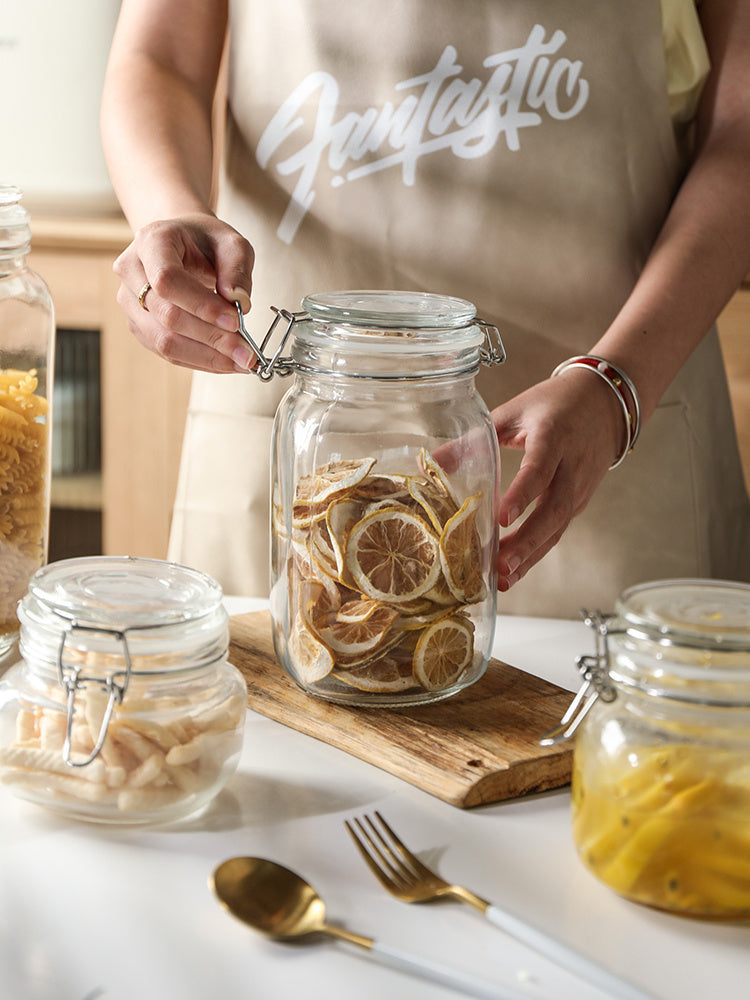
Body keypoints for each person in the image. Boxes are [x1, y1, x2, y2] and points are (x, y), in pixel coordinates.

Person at [101, 0, 750, 617]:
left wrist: (615, 387)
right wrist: (169, 215)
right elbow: (160, 60)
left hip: (617, 416)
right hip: (298, 417)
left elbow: (741, 128)